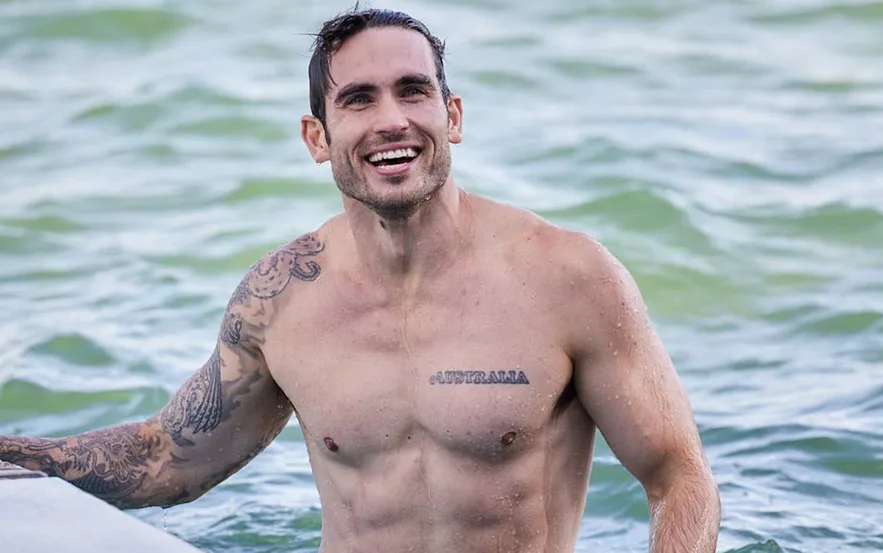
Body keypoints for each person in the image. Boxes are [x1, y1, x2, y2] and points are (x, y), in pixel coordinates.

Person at [0, 7, 720, 552]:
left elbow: (678, 476)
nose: (392, 121)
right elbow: (167, 460)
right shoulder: (281, 298)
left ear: (453, 116)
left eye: (414, 92)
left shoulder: (569, 276)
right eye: (358, 99)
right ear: (318, 137)